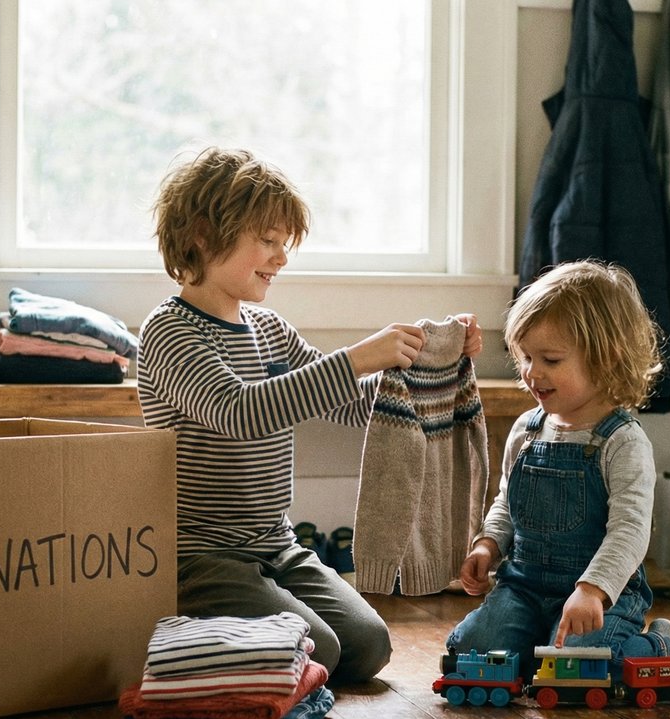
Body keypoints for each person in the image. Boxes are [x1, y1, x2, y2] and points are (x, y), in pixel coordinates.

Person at [137, 147, 483, 683]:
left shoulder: (270, 328)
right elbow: (241, 412)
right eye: (268, 241)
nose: (281, 258)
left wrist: (431, 358)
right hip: (199, 554)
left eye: (283, 244)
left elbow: (348, 404)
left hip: (276, 543)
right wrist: (360, 355)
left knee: (367, 647)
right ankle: (183, 627)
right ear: (204, 235)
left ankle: (254, 630)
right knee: (318, 646)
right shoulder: (169, 332)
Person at [446, 260, 670, 675]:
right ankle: (541, 640)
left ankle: (663, 643)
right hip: (524, 588)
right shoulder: (527, 429)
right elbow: (506, 503)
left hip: (603, 595)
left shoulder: (621, 441)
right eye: (526, 357)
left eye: (550, 359)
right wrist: (487, 545)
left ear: (607, 358)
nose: (533, 373)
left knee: (582, 669)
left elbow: (630, 530)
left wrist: (591, 590)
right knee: (473, 653)